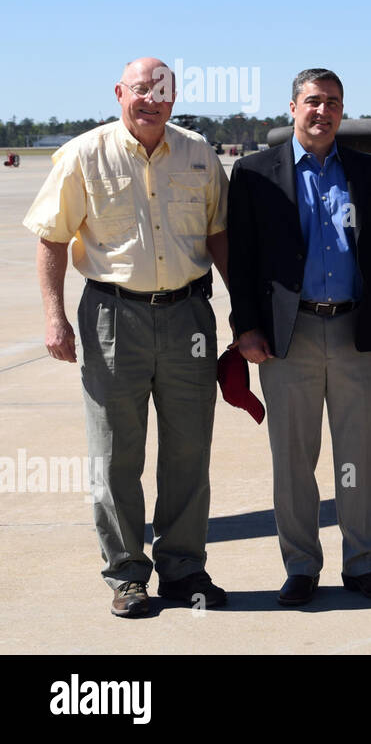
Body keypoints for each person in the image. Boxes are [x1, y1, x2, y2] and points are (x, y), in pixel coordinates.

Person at [24, 57, 230, 618]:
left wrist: (246, 310)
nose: (151, 101)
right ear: (120, 93)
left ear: (174, 99)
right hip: (113, 317)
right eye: (141, 90)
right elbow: (51, 239)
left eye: (162, 92)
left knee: (189, 450)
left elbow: (219, 234)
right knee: (115, 454)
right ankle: (126, 574)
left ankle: (183, 568)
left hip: (189, 318)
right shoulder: (83, 155)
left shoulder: (198, 153)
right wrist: (54, 317)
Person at [227, 68, 371, 607]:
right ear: (292, 107)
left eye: (332, 102)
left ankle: (364, 562)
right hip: (289, 335)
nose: (322, 111)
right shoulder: (255, 173)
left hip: (356, 331)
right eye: (313, 101)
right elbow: (241, 257)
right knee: (292, 460)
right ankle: (301, 566)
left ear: (342, 111)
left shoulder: (369, 172)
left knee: (360, 457)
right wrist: (245, 327)